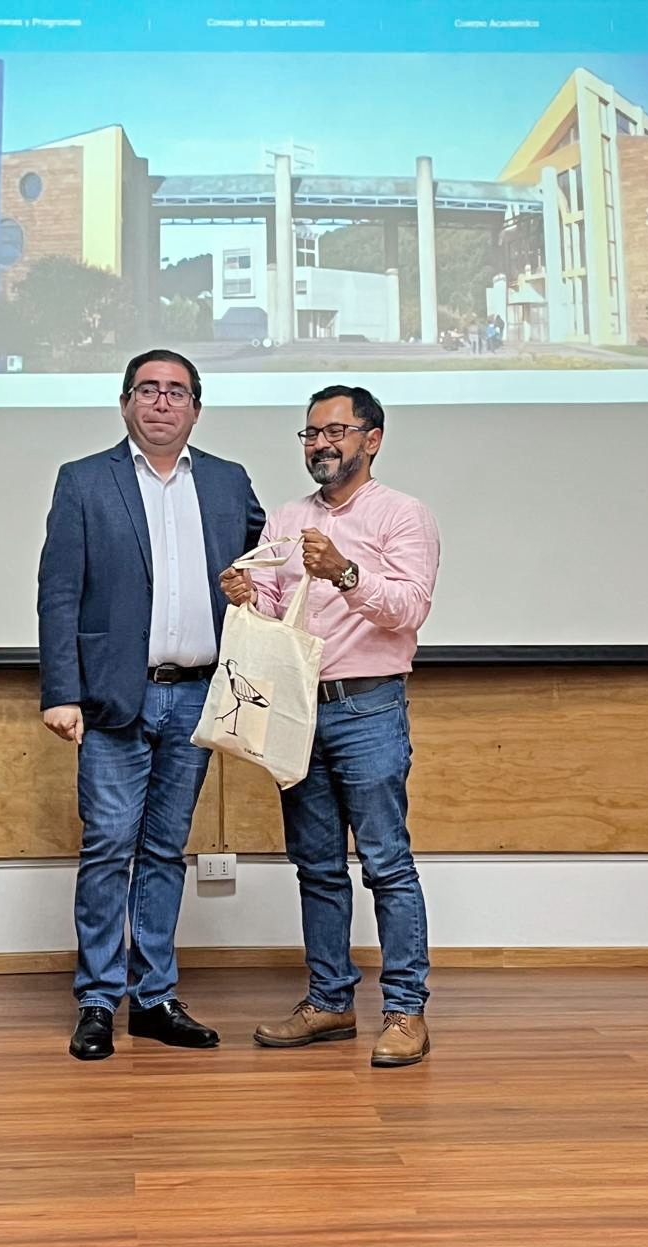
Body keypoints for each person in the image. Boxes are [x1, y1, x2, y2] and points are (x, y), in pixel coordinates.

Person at [38, 349, 265, 1061]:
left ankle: (155, 997)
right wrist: (61, 692)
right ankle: (98, 1001)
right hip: (113, 698)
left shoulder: (228, 482)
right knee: (109, 847)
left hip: (198, 695)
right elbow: (58, 593)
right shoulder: (83, 481)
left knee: (166, 851)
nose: (161, 402)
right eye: (147, 389)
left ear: (196, 407)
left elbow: (265, 570)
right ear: (125, 403)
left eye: (176, 391)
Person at [220, 385, 440, 1067]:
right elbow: (275, 610)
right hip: (296, 708)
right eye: (311, 433)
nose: (321, 443)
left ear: (372, 439)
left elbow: (409, 609)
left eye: (335, 431)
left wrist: (345, 572)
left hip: (368, 707)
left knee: (386, 863)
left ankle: (404, 1010)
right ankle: (329, 1001)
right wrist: (247, 596)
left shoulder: (403, 514)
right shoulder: (286, 517)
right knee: (315, 866)